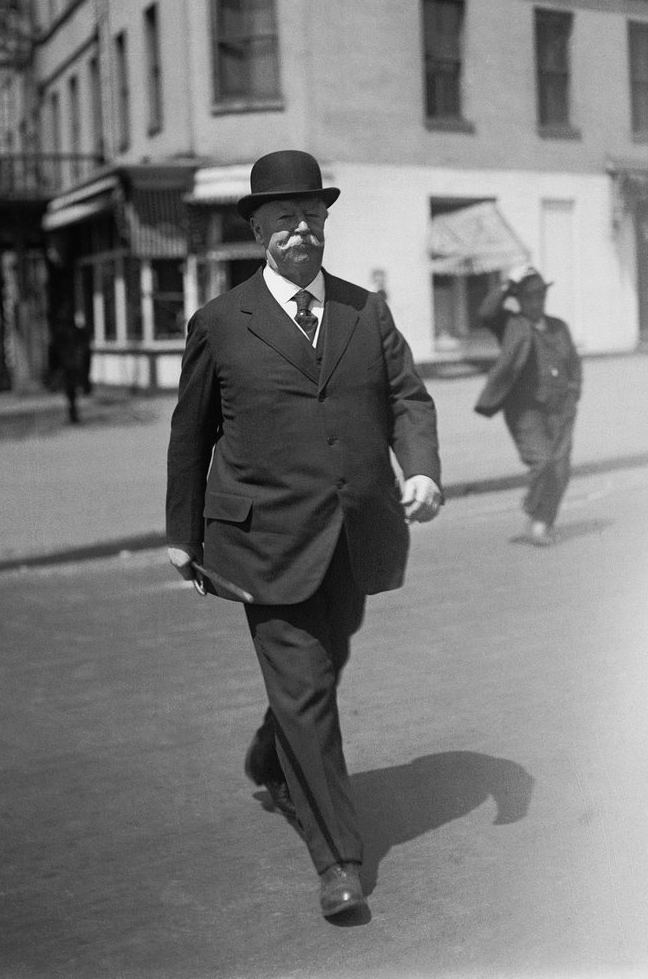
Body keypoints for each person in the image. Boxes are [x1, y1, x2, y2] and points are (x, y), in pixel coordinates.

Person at [166, 150, 443, 919]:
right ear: (258, 229)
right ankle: (339, 862)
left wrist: (418, 469)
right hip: (265, 543)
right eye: (285, 218)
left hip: (357, 535)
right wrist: (181, 532)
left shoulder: (365, 310)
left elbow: (407, 399)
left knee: (324, 665)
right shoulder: (220, 323)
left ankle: (269, 751)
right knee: (308, 690)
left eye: (313, 217)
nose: (301, 231)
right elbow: (191, 433)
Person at [474, 264, 582, 546]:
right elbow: (485, 312)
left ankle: (542, 525)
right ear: (519, 300)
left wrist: (573, 392)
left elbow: (574, 363)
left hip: (560, 408)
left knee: (561, 469)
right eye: (529, 298)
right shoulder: (511, 324)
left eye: (540, 297)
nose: (535, 303)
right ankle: (534, 511)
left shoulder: (559, 327)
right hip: (525, 410)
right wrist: (509, 282)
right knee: (543, 461)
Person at [49, 305, 91, 424]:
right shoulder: (64, 333)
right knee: (71, 389)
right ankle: (73, 410)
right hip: (70, 364)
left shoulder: (68, 333)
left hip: (70, 364)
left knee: (71, 389)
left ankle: (73, 410)